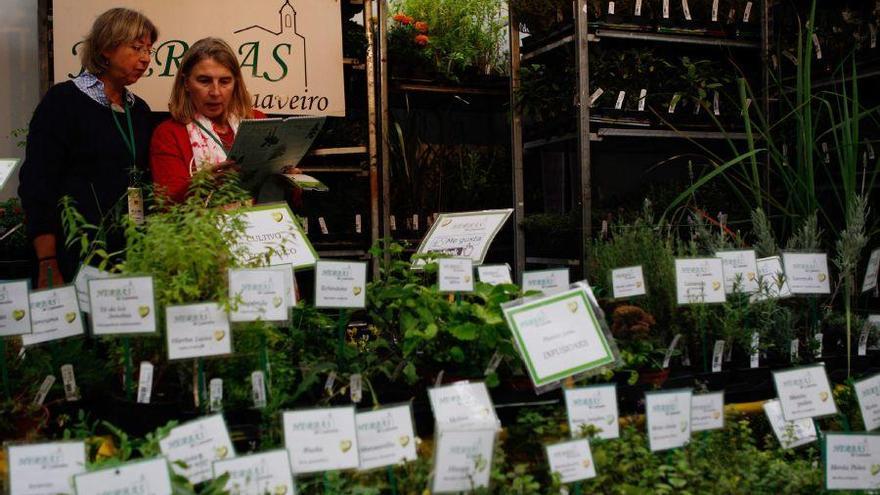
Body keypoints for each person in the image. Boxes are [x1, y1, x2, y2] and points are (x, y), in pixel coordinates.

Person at [18, 8, 158, 287]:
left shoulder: (138, 110)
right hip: (74, 253)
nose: (145, 59)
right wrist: (47, 260)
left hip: (130, 252)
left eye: (149, 50)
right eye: (136, 48)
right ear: (106, 48)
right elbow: (38, 184)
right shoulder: (63, 103)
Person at [151, 37, 303, 204]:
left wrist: (290, 182)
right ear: (186, 83)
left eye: (224, 81)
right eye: (204, 81)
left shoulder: (256, 120)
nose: (215, 92)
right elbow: (166, 207)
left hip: (265, 225)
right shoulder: (169, 133)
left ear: (235, 83)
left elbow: (285, 199)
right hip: (202, 229)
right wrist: (203, 184)